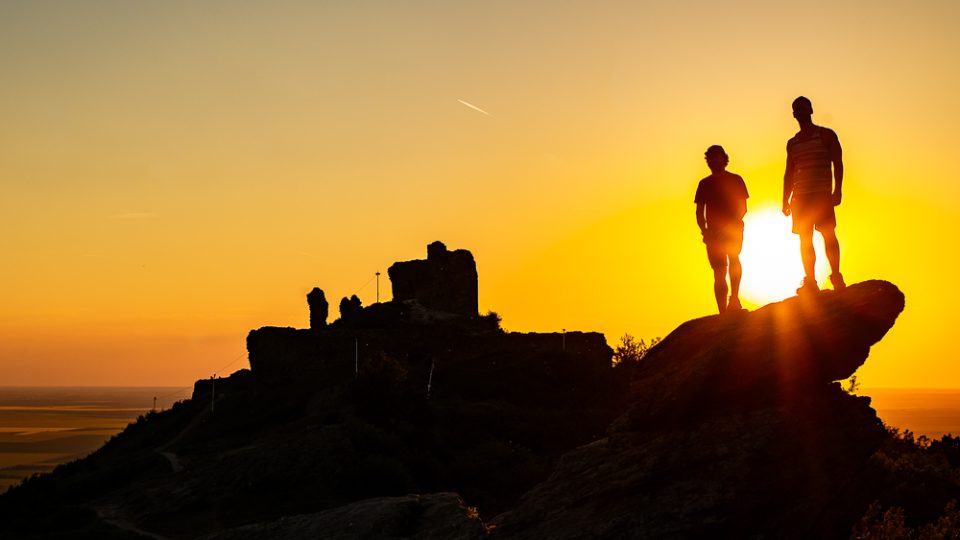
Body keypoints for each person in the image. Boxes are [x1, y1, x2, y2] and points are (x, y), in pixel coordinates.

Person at [782, 96, 845, 295]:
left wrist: (838, 189)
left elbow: (838, 162)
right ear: (793, 114)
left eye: (803, 108)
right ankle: (810, 281)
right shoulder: (792, 143)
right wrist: (785, 199)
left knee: (828, 234)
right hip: (800, 197)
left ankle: (836, 276)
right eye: (796, 109)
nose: (800, 112)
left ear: (810, 110)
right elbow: (789, 172)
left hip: (822, 194)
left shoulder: (826, 135)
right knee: (805, 239)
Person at [695, 145, 749, 314]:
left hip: (733, 230)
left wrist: (729, 227)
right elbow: (699, 211)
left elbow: (743, 208)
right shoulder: (704, 183)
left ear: (724, 158)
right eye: (710, 158)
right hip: (713, 234)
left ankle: (734, 299)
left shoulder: (736, 179)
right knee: (719, 270)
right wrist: (705, 231)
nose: (713, 160)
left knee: (733, 259)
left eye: (717, 157)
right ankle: (722, 311)